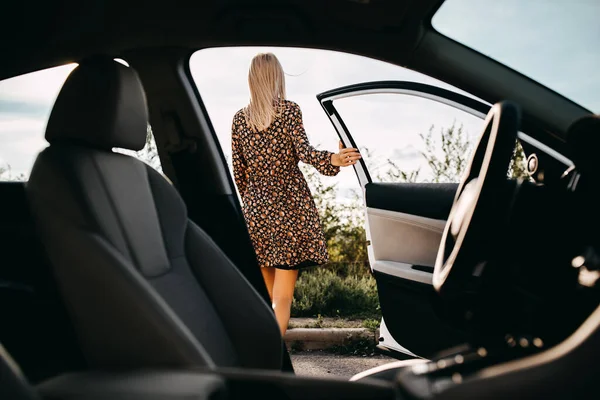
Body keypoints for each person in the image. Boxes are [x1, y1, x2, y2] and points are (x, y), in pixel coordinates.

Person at [231, 53, 361, 335]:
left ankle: (257, 352)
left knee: (264, 297)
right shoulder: (289, 111)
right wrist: (334, 160)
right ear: (276, 77)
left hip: (255, 210)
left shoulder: (239, 120)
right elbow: (305, 153)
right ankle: (272, 356)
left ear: (252, 79)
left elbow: (238, 171)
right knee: (282, 298)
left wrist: (252, 202)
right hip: (289, 208)